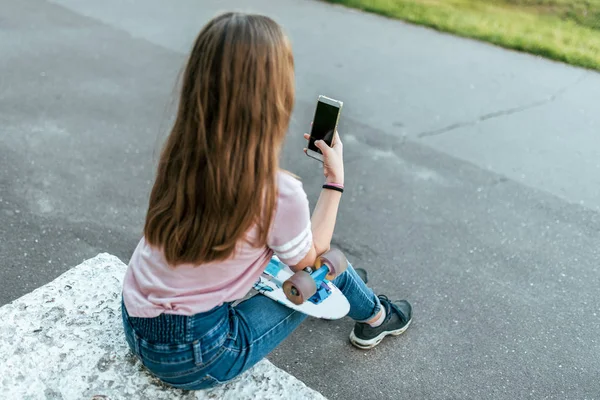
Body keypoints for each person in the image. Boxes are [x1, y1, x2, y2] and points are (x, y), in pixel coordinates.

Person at [121, 12, 412, 391]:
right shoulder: (276, 193)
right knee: (329, 267)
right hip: (197, 357)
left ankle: (363, 301)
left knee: (295, 255)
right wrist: (334, 180)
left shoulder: (180, 154)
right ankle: (377, 316)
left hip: (136, 320)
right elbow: (314, 259)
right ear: (274, 96)